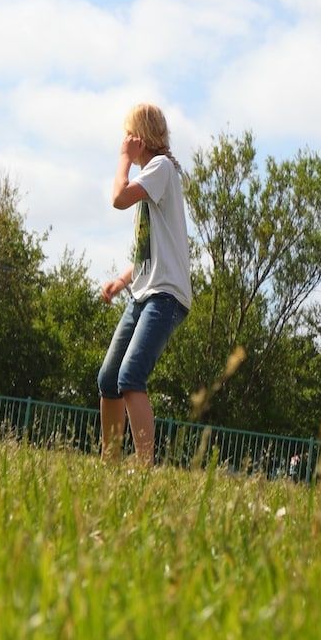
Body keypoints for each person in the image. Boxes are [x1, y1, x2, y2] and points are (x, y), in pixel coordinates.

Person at [97, 103, 191, 466]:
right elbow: (152, 246)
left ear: (141, 137)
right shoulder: (156, 175)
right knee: (109, 379)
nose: (124, 142)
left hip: (165, 295)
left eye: (128, 135)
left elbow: (118, 198)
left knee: (131, 376)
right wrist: (123, 280)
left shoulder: (160, 167)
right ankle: (110, 463)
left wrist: (123, 159)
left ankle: (144, 467)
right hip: (144, 291)